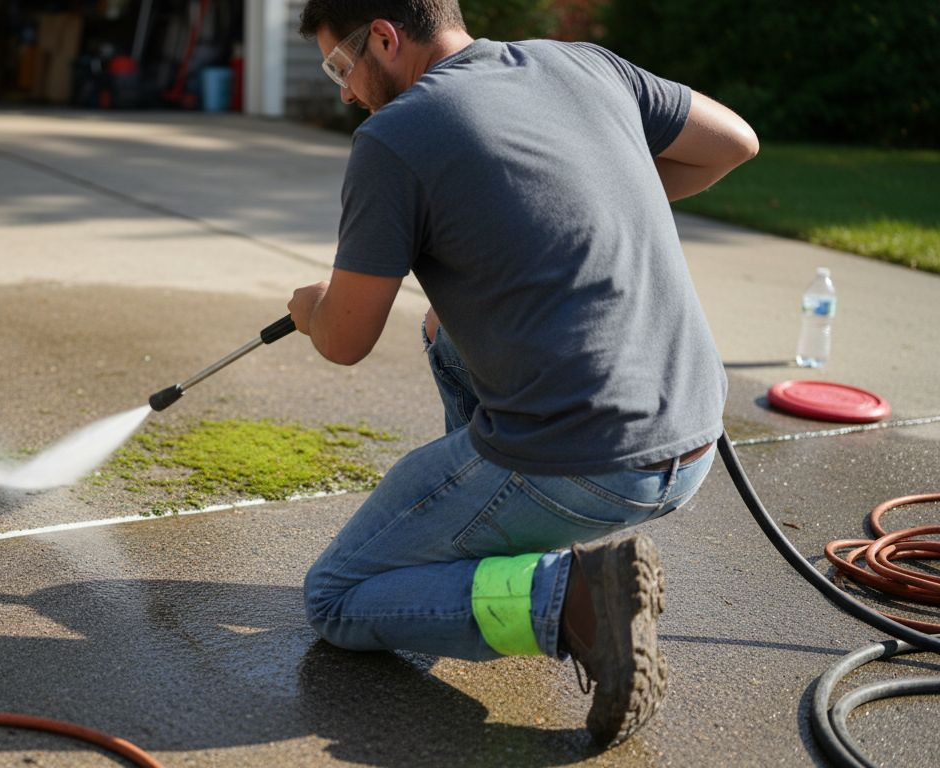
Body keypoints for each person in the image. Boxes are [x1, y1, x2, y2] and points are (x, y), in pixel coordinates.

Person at [287, 0, 758, 748]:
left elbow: (345, 339)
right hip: (693, 436)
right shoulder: (581, 63)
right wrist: (587, 191)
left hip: (590, 461)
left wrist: (310, 306)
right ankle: (501, 555)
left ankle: (571, 601)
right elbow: (734, 142)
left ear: (384, 36)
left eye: (342, 67)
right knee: (444, 333)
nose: (345, 91)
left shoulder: (394, 137)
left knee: (336, 597)